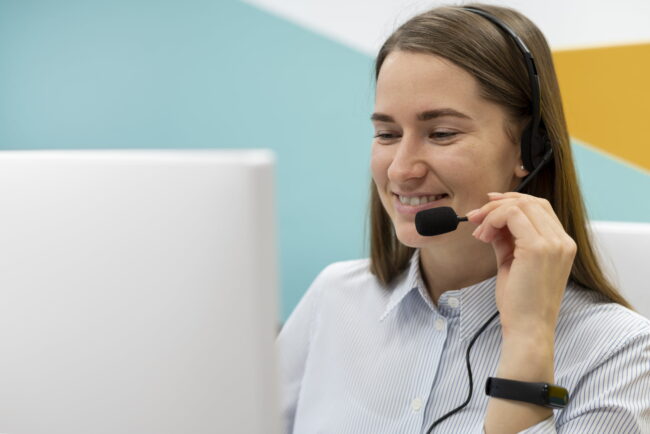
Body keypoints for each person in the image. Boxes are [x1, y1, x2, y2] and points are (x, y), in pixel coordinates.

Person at [277, 4, 650, 433]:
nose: (400, 169)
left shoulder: (618, 351)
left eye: (441, 134)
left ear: (529, 148)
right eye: (387, 134)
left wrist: (527, 341)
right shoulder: (334, 299)